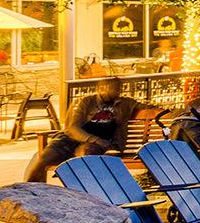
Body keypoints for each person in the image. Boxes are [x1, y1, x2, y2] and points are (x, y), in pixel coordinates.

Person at [24, 77, 155, 182]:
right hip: (70, 139)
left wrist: (165, 110)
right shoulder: (85, 102)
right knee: (44, 158)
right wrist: (95, 139)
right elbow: (72, 128)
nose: (117, 91)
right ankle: (29, 191)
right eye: (113, 88)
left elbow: (149, 108)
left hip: (98, 144)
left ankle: (81, 190)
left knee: (86, 153)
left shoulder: (126, 103)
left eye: (118, 88)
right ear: (101, 89)